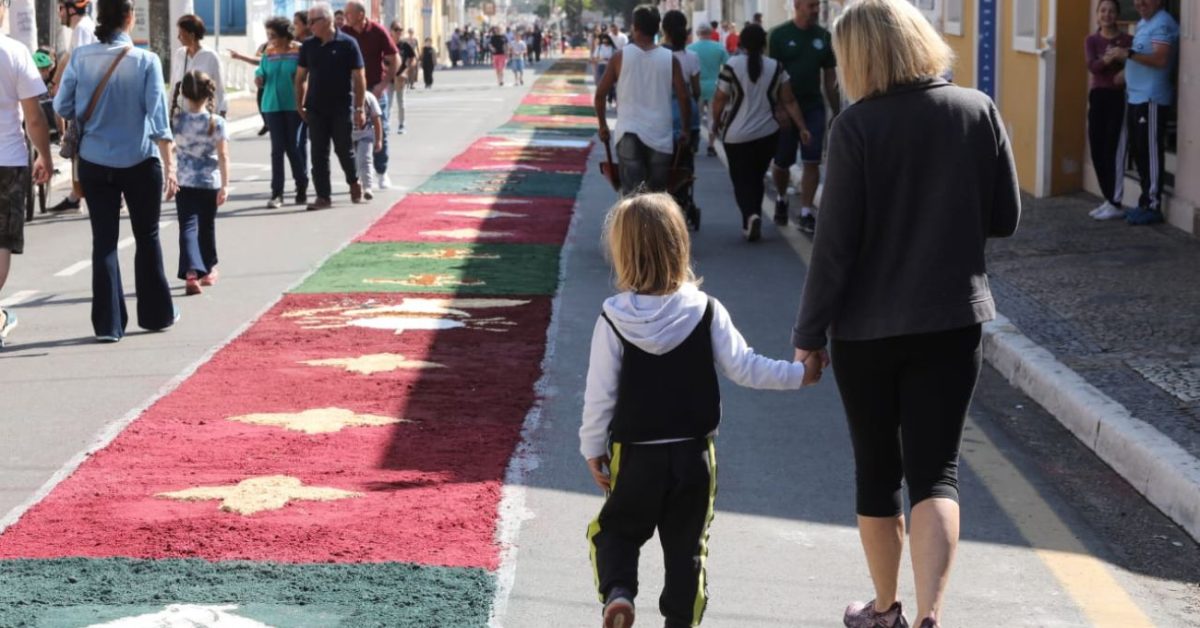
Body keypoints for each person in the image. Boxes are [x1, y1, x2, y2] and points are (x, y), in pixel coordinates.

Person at [790, 2, 1020, 627]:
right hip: (952, 321)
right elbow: (1005, 218)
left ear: (858, 58)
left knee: (876, 472)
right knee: (936, 472)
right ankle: (930, 616)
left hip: (865, 333)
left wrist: (808, 337)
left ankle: (885, 610)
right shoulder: (977, 110)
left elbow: (834, 249)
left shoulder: (857, 127)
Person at [582, 192, 814, 628]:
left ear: (622, 252)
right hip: (693, 455)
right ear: (679, 245)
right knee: (688, 547)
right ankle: (681, 621)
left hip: (634, 454)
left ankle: (619, 593)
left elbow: (600, 395)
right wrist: (799, 373)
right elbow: (745, 367)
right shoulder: (705, 310)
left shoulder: (612, 318)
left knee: (615, 530)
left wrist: (593, 448)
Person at [54, 0, 180, 342]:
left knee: (104, 242)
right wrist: (171, 166)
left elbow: (62, 105)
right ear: (129, 18)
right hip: (139, 161)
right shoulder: (147, 60)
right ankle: (156, 315)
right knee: (147, 236)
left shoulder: (81, 58)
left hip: (95, 162)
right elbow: (158, 119)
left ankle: (109, 325)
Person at [710, 24, 809, 241]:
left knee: (741, 178)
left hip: (736, 135)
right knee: (756, 177)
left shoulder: (732, 65)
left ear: (741, 43)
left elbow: (719, 99)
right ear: (764, 44)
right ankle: (754, 215)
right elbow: (789, 100)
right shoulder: (777, 67)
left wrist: (714, 125)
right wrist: (802, 127)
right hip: (768, 133)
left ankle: (750, 216)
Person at [0, 2, 54, 348]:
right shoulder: (15, 52)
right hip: (8, 160)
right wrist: (46, 157)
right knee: (2, 240)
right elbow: (34, 117)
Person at [595, 5, 692, 196]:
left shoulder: (619, 57)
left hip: (628, 133)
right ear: (657, 29)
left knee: (632, 194)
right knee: (656, 195)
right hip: (660, 134)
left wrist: (603, 125)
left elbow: (600, 95)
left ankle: (634, 225)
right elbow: (683, 96)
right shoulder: (670, 59)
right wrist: (686, 129)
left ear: (634, 27)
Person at [1103, 0, 1179, 226]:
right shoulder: (1144, 24)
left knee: (1150, 151)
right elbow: (1138, 56)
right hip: (1135, 97)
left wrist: (1127, 55)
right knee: (1139, 152)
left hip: (1152, 98)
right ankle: (1144, 202)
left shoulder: (1163, 23)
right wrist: (1124, 72)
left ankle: (1153, 205)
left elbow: (1160, 58)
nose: (1139, 3)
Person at [768, 0, 840, 233]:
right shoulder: (779, 35)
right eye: (811, 5)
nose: (816, 10)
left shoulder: (824, 37)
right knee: (781, 163)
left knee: (812, 161)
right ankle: (781, 197)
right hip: (786, 111)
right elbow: (773, 75)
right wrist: (779, 108)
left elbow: (829, 77)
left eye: (818, 5)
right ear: (797, 5)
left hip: (813, 108)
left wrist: (837, 109)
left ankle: (806, 212)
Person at [295, 1, 366, 211]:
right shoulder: (308, 45)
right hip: (315, 108)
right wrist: (299, 104)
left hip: (341, 107)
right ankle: (323, 196)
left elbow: (359, 76)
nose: (309, 26)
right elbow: (300, 77)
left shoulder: (348, 43)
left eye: (312, 22)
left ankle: (353, 181)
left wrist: (360, 108)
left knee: (344, 150)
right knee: (318, 153)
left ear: (326, 21)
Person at [170, 70, 227, 296]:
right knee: (207, 226)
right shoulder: (217, 122)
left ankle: (191, 272)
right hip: (209, 182)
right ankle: (209, 269)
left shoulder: (177, 120)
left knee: (188, 226)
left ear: (183, 93)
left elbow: (172, 146)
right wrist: (225, 185)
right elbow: (224, 156)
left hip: (184, 181)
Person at [343, 0, 398, 191]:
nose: (345, 16)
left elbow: (394, 57)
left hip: (374, 87)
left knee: (379, 129)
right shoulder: (344, 32)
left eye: (348, 13)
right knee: (354, 131)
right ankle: (361, 171)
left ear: (360, 14)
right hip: (351, 89)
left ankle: (381, 171)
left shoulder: (378, 31)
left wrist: (383, 84)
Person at [46, 0, 96, 214]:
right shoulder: (82, 28)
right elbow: (68, 57)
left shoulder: (83, 29)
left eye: (60, 9)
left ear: (70, 9)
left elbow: (80, 64)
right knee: (79, 148)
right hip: (86, 98)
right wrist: (56, 80)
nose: (59, 14)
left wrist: (62, 88)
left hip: (85, 99)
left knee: (80, 146)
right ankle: (76, 195)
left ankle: (83, 195)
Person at [1086, 0, 1134, 221]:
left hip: (1117, 97)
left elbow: (1134, 63)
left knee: (1113, 147)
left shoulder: (1127, 40)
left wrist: (1121, 59)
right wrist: (1108, 58)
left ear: (1117, 15)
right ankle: (1108, 198)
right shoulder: (1092, 40)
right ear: (1097, 15)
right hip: (1098, 96)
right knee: (1097, 147)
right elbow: (1092, 66)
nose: (1107, 15)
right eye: (1103, 10)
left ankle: (1116, 201)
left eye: (1111, 11)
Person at [255, 16, 307, 208]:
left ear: (285, 35)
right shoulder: (268, 52)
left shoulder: (299, 50)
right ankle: (277, 193)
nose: (270, 39)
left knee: (292, 146)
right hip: (271, 105)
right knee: (277, 149)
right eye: (268, 35)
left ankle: (301, 185)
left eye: (273, 35)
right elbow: (261, 71)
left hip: (294, 105)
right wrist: (259, 77)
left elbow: (305, 75)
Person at [661, 10, 701, 223]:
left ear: (663, 30)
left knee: (663, 163)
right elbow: (695, 91)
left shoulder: (658, 55)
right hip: (688, 118)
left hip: (663, 117)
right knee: (685, 163)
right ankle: (683, 199)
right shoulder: (691, 57)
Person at [170, 15, 227, 117]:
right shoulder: (179, 54)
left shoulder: (211, 57)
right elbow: (174, 85)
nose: (178, 37)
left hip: (206, 119)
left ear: (191, 35)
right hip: (183, 119)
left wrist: (221, 114)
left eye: (181, 34)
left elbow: (220, 90)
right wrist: (169, 110)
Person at [687, 23, 728, 156]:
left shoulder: (691, 48)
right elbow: (728, 66)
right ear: (711, 33)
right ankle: (711, 145)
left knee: (694, 117)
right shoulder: (719, 47)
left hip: (696, 86)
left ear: (698, 33)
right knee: (713, 117)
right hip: (715, 86)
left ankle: (694, 144)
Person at [352, 90, 383, 199]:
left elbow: (377, 119)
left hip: (366, 135)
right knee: (353, 164)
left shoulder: (369, 97)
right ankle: (355, 185)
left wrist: (378, 140)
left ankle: (368, 187)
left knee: (365, 160)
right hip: (348, 137)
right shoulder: (341, 96)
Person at [390, 21, 416, 134]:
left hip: (400, 78)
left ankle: (401, 125)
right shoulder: (387, 44)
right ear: (391, 31)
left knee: (401, 102)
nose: (399, 32)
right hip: (389, 78)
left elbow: (413, 58)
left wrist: (406, 71)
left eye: (401, 30)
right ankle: (386, 125)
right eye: (396, 29)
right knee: (387, 103)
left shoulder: (404, 45)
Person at [593, 33, 615, 106]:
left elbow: (616, 58)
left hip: (610, 67)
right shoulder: (599, 47)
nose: (605, 43)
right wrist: (600, 59)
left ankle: (610, 99)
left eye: (607, 42)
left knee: (610, 85)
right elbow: (595, 58)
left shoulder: (613, 48)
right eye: (604, 42)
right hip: (601, 66)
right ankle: (603, 100)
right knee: (601, 84)